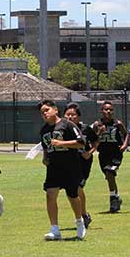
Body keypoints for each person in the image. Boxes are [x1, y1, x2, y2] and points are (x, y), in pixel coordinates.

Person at [38, 100, 86, 240]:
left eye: (47, 110)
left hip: (70, 166)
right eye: (42, 112)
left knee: (72, 196)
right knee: (50, 194)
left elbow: (81, 142)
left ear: (55, 110)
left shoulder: (67, 124)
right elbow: (46, 146)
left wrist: (62, 143)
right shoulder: (44, 130)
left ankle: (79, 221)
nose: (44, 114)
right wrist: (45, 157)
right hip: (53, 167)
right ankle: (55, 229)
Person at [63, 103, 101, 229]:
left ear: (78, 116)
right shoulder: (62, 129)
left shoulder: (85, 129)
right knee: (72, 189)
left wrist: (89, 153)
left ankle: (83, 215)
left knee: (78, 187)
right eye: (67, 114)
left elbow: (96, 142)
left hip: (83, 162)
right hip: (69, 161)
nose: (70, 117)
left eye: (73, 115)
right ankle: (83, 215)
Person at [95, 101, 130, 213]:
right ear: (102, 111)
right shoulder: (97, 124)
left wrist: (125, 144)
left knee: (110, 174)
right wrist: (99, 133)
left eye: (110, 109)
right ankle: (116, 197)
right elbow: (93, 139)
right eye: (106, 109)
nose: (108, 111)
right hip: (103, 154)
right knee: (109, 176)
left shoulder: (117, 124)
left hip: (115, 153)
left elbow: (127, 133)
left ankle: (113, 199)